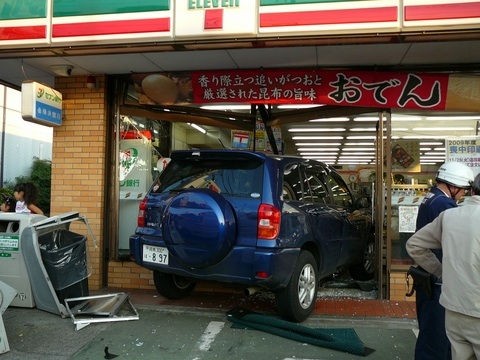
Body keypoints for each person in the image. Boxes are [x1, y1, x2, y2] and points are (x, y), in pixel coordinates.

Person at [406, 172, 480, 360]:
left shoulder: (448, 214)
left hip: (452, 305)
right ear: (454, 187)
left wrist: (443, 272)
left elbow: (414, 245)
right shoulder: (442, 204)